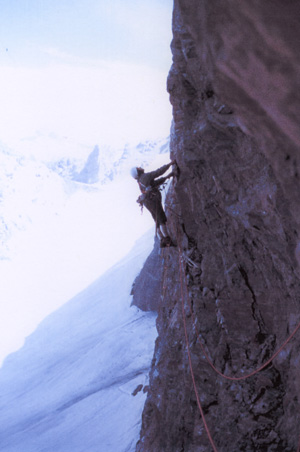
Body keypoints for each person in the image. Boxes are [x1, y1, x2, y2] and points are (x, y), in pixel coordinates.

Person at [131, 161, 176, 247]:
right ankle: (167, 240)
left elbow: (155, 184)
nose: (140, 168)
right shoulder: (145, 177)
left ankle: (162, 239)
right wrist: (170, 164)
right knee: (161, 218)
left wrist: (167, 176)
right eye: (138, 168)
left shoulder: (141, 180)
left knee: (157, 220)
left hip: (148, 202)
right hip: (153, 200)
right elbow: (158, 172)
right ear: (137, 172)